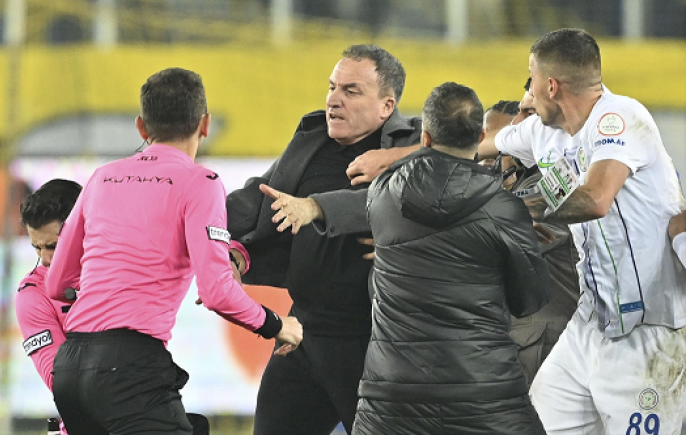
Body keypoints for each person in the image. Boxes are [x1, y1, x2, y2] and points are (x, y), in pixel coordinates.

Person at [45, 68, 302, 435]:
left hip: (70, 368)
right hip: (130, 370)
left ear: (141, 127)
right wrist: (278, 325)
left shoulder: (101, 177)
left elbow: (57, 283)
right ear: (205, 124)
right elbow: (216, 292)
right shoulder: (201, 183)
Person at [494, 28, 686, 434]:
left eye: (531, 77)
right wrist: (396, 156)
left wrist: (513, 211)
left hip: (649, 332)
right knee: (538, 424)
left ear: (550, 85)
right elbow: (480, 144)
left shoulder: (620, 118)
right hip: (590, 324)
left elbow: (596, 200)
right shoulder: (543, 131)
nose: (526, 91)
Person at [225, 44, 421, 435]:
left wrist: (317, 207)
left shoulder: (416, 147)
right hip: (303, 333)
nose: (333, 99)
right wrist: (226, 246)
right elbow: (257, 199)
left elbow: (462, 157)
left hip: (375, 339)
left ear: (387, 106)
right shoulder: (311, 142)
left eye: (351, 91)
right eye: (332, 87)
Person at [351, 82, 549, 435]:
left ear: (425, 137)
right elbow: (528, 301)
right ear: (482, 136)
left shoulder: (381, 194)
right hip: (485, 394)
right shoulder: (504, 208)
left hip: (390, 398)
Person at [485, 98, 581, 386]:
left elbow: (497, 247)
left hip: (545, 342)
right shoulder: (502, 185)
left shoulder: (557, 180)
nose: (488, 155)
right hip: (514, 339)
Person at [16, 179, 82, 435]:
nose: (44, 259)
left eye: (52, 246)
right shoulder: (32, 294)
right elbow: (61, 383)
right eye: (37, 248)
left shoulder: (119, 270)